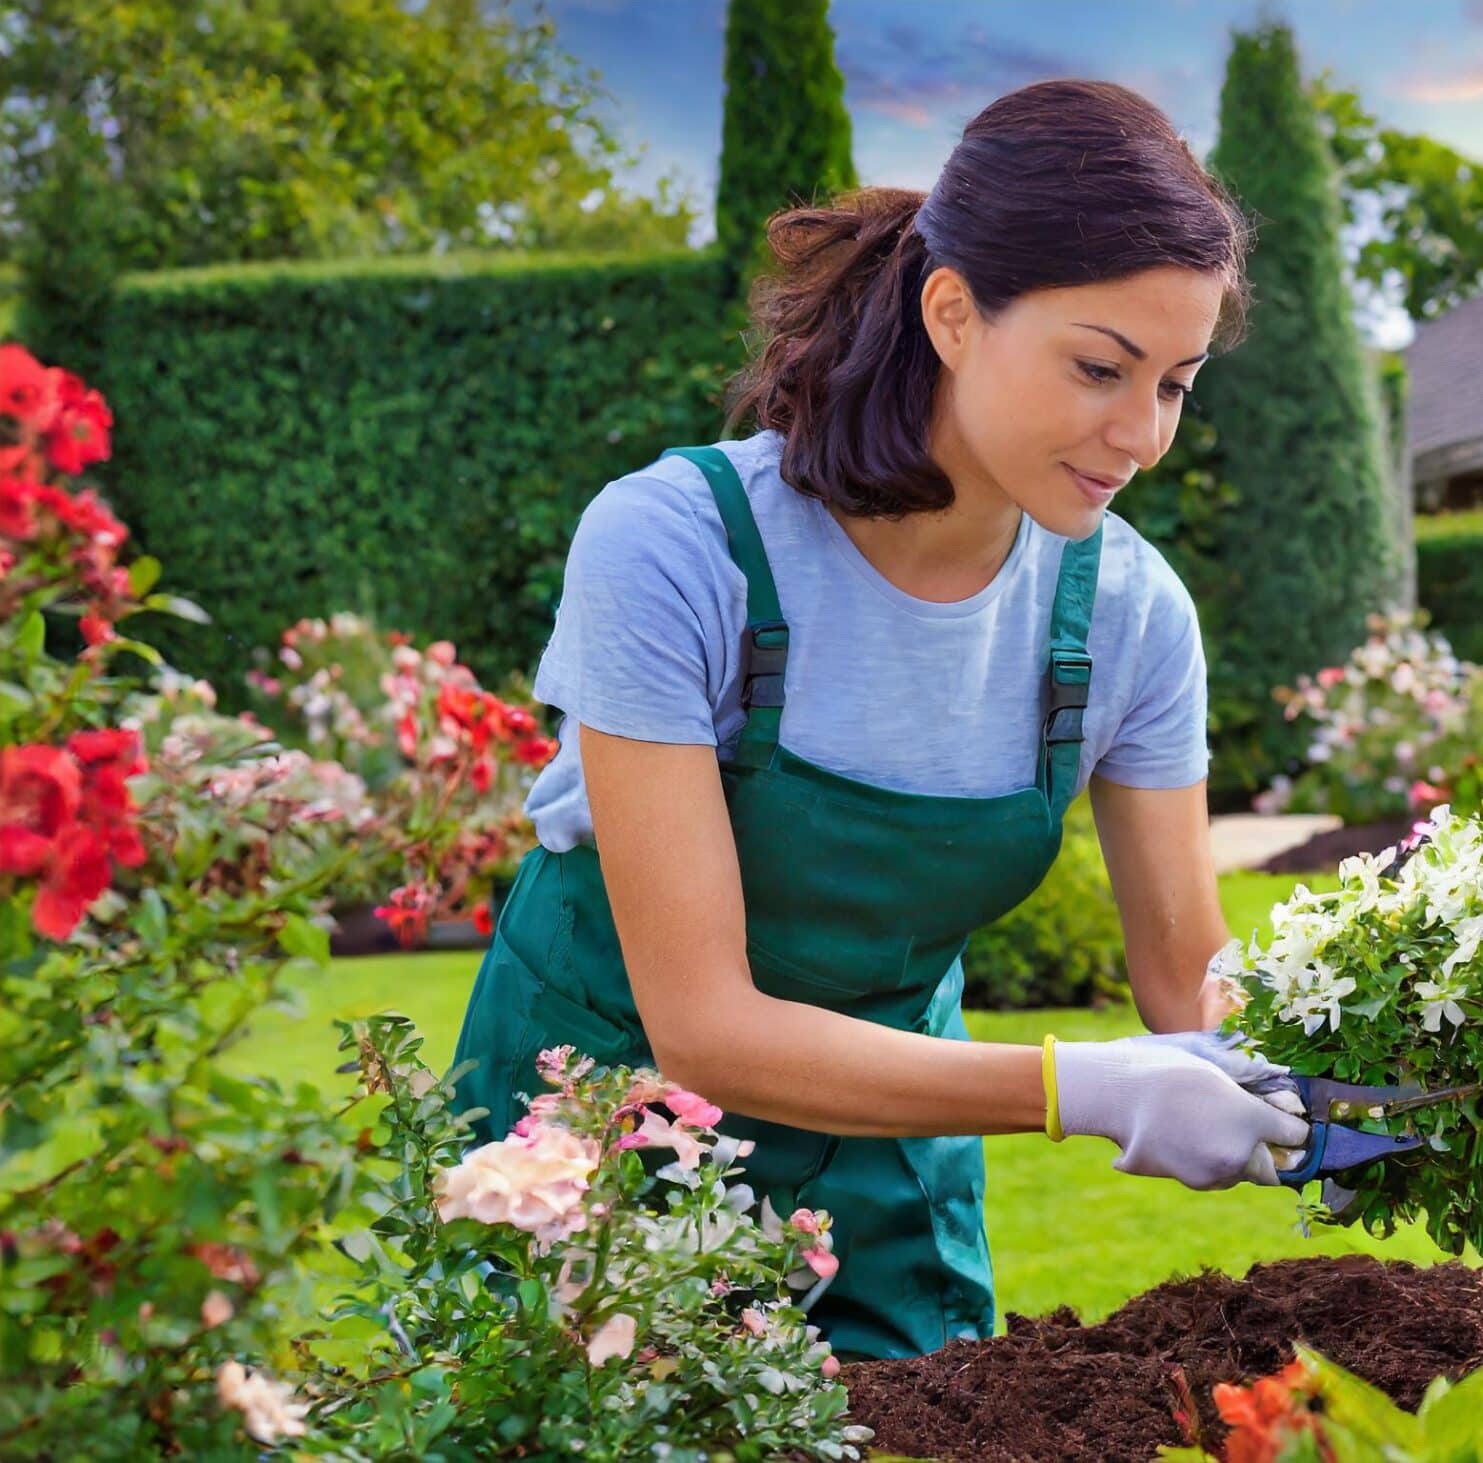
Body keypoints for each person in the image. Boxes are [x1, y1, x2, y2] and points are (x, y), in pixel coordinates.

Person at [449, 78, 1309, 1362]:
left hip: (887, 1171)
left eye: (1175, 383)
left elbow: (1188, 975)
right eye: (1098, 367)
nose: (1141, 434)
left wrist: (1374, 1067)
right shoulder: (682, 547)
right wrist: (1080, 1088)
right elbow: (705, 1025)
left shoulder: (1129, 613)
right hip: (597, 1141)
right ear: (953, 312)